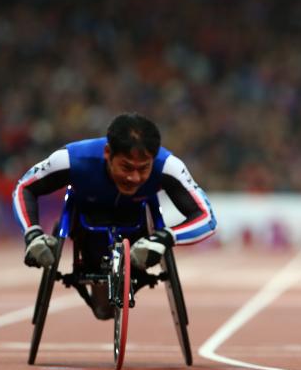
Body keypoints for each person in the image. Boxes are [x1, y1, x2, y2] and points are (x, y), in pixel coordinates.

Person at [13, 112, 217, 320]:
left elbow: (207, 218)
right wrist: (33, 235)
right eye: (126, 167)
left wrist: (164, 238)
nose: (134, 177)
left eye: (144, 168)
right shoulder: (72, 160)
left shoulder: (168, 166)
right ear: (108, 152)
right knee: (103, 310)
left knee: (107, 309)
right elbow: (24, 188)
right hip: (87, 227)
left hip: (139, 235)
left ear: (153, 160)